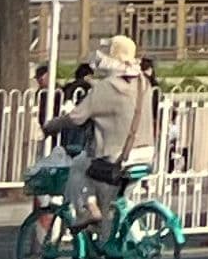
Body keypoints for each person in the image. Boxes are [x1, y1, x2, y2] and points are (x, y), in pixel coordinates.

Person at [47, 34, 161, 236]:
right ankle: (116, 236)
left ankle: (88, 210)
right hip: (146, 152)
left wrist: (52, 126)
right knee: (116, 199)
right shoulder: (144, 83)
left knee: (79, 166)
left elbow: (76, 117)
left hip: (117, 155)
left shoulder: (108, 87)